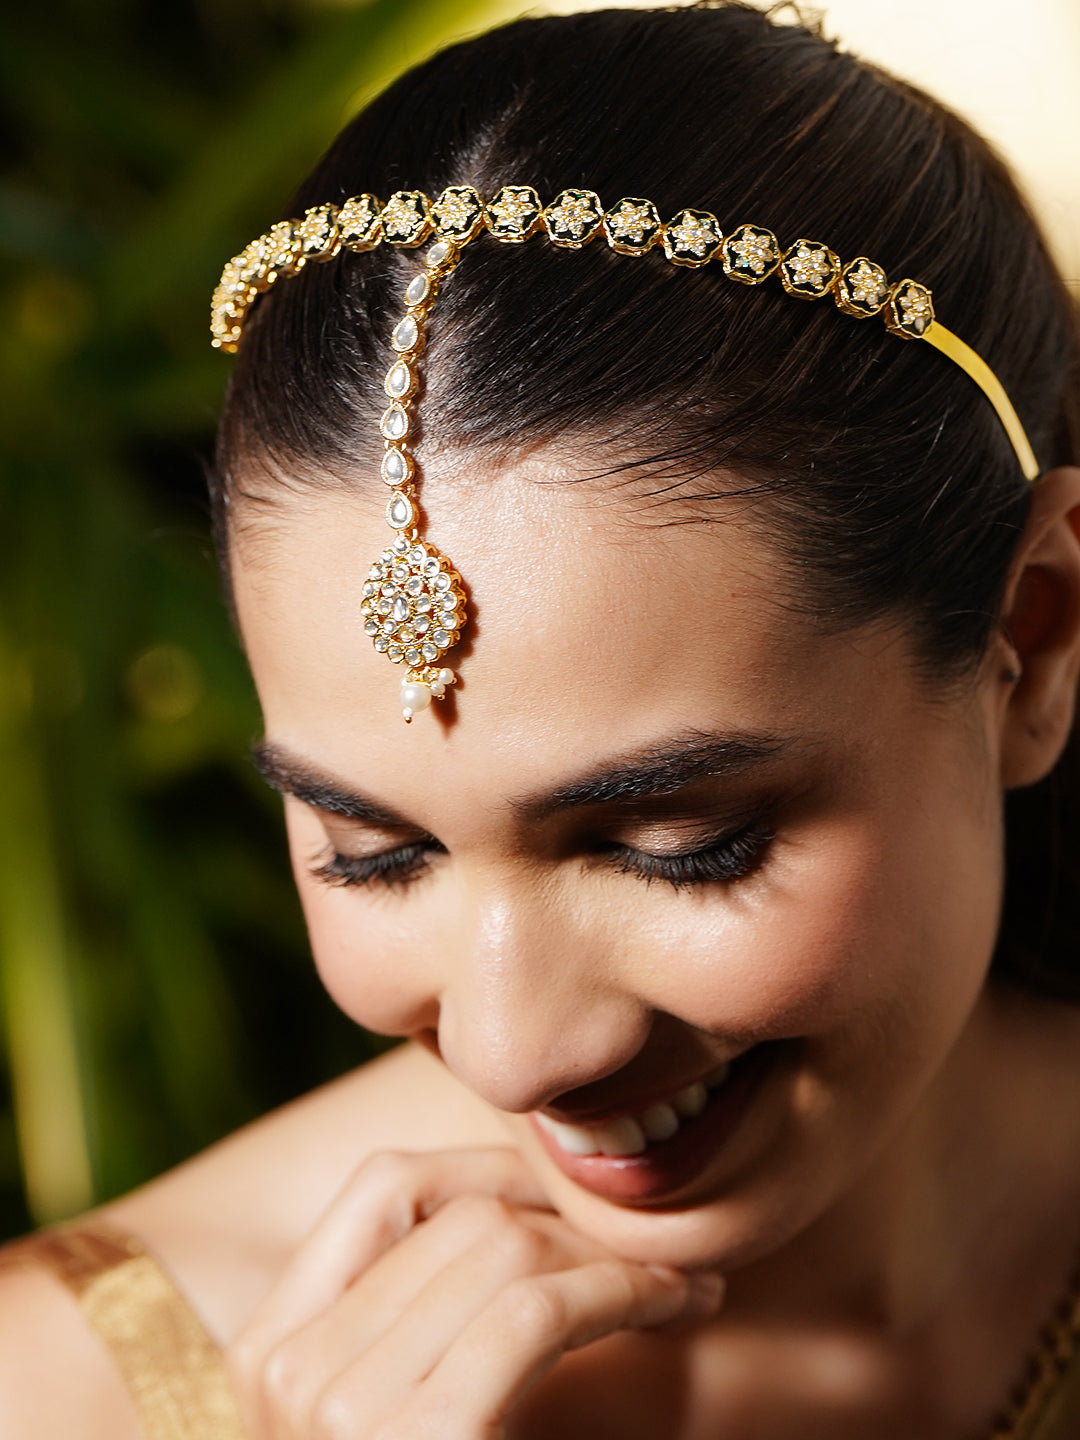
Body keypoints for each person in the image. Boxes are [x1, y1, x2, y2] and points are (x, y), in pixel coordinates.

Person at [2, 1, 1080, 1435]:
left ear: (1031, 642)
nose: (512, 1056)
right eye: (372, 852)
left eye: (679, 845)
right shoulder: (62, 1388)